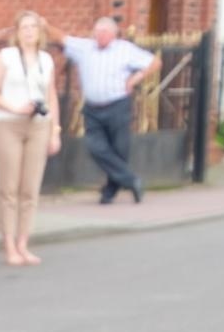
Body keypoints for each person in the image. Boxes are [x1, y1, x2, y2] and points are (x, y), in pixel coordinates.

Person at [44, 15, 159, 204]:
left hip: (117, 105)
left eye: (105, 32)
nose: (101, 36)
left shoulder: (125, 50)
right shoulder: (85, 48)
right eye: (98, 32)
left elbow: (154, 63)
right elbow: (62, 38)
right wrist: (45, 25)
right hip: (93, 108)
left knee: (119, 149)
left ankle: (110, 191)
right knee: (96, 147)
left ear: (114, 34)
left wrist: (134, 79)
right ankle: (131, 180)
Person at [0, 12, 60, 266]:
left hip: (38, 125)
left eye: (33, 27)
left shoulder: (46, 60)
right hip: (9, 123)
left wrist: (55, 130)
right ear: (17, 32)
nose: (29, 31)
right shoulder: (6, 57)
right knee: (9, 188)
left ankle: (23, 243)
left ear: (40, 32)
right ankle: (8, 244)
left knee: (30, 187)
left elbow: (51, 96)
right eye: (24, 27)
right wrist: (14, 107)